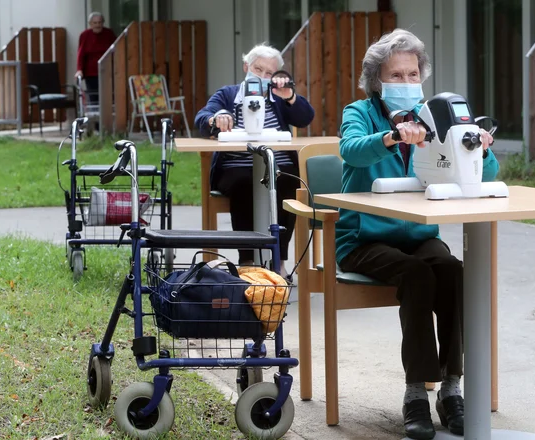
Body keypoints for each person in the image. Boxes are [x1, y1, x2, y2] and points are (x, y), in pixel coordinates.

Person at [336, 29, 499, 439]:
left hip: (417, 234)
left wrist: (479, 148)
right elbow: (351, 150)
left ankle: (451, 389)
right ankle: (415, 394)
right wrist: (391, 137)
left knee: (452, 269)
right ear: (377, 80)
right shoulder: (359, 112)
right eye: (396, 75)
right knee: (418, 275)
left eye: (413, 74)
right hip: (364, 238)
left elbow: (489, 175)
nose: (407, 83)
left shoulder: (434, 115)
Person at [194, 44, 314, 277]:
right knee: (244, 183)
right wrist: (217, 118)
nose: (262, 76)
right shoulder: (228, 94)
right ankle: (247, 260)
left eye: (269, 73)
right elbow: (202, 118)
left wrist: (289, 96)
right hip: (235, 167)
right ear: (246, 67)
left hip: (276, 165)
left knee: (289, 184)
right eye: (258, 69)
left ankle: (278, 260)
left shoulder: (278, 98)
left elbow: (305, 117)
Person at [75, 12, 116, 106]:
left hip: (107, 71)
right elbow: (81, 54)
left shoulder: (109, 33)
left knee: (108, 96)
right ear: (90, 24)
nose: (98, 25)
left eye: (100, 22)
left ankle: (107, 119)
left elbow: (116, 50)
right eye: (95, 23)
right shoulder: (85, 35)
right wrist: (79, 70)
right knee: (94, 97)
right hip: (91, 73)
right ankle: (96, 120)